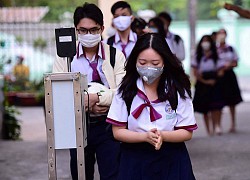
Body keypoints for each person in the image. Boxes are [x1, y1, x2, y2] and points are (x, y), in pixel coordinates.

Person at [106, 33, 197, 180]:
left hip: (172, 158)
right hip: (134, 159)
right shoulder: (126, 90)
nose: (148, 68)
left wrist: (162, 136)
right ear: (135, 61)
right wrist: (144, 137)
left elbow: (187, 131)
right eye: (142, 63)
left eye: (155, 64)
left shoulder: (177, 89)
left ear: (165, 62)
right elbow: (117, 131)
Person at [53, 3, 126, 180]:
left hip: (109, 125)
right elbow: (58, 92)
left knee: (112, 173)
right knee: (80, 174)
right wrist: (84, 103)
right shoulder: (64, 57)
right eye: (83, 30)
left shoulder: (115, 55)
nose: (88, 35)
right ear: (76, 30)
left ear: (102, 28)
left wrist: (96, 98)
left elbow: (122, 92)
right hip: (77, 126)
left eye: (93, 30)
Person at [192, 35, 224, 135]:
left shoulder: (216, 55)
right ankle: (208, 130)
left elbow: (221, 70)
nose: (205, 43)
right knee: (205, 107)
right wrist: (204, 80)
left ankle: (217, 126)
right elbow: (195, 72)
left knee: (216, 106)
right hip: (202, 83)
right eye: (204, 41)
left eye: (207, 41)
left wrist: (215, 77)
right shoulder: (197, 56)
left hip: (214, 81)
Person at [216, 28, 243, 133]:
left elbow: (236, 63)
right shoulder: (215, 49)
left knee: (232, 100)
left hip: (229, 76)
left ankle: (233, 124)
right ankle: (218, 125)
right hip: (219, 76)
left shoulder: (231, 49)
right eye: (220, 34)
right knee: (219, 100)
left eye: (223, 34)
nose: (222, 36)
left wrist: (228, 66)